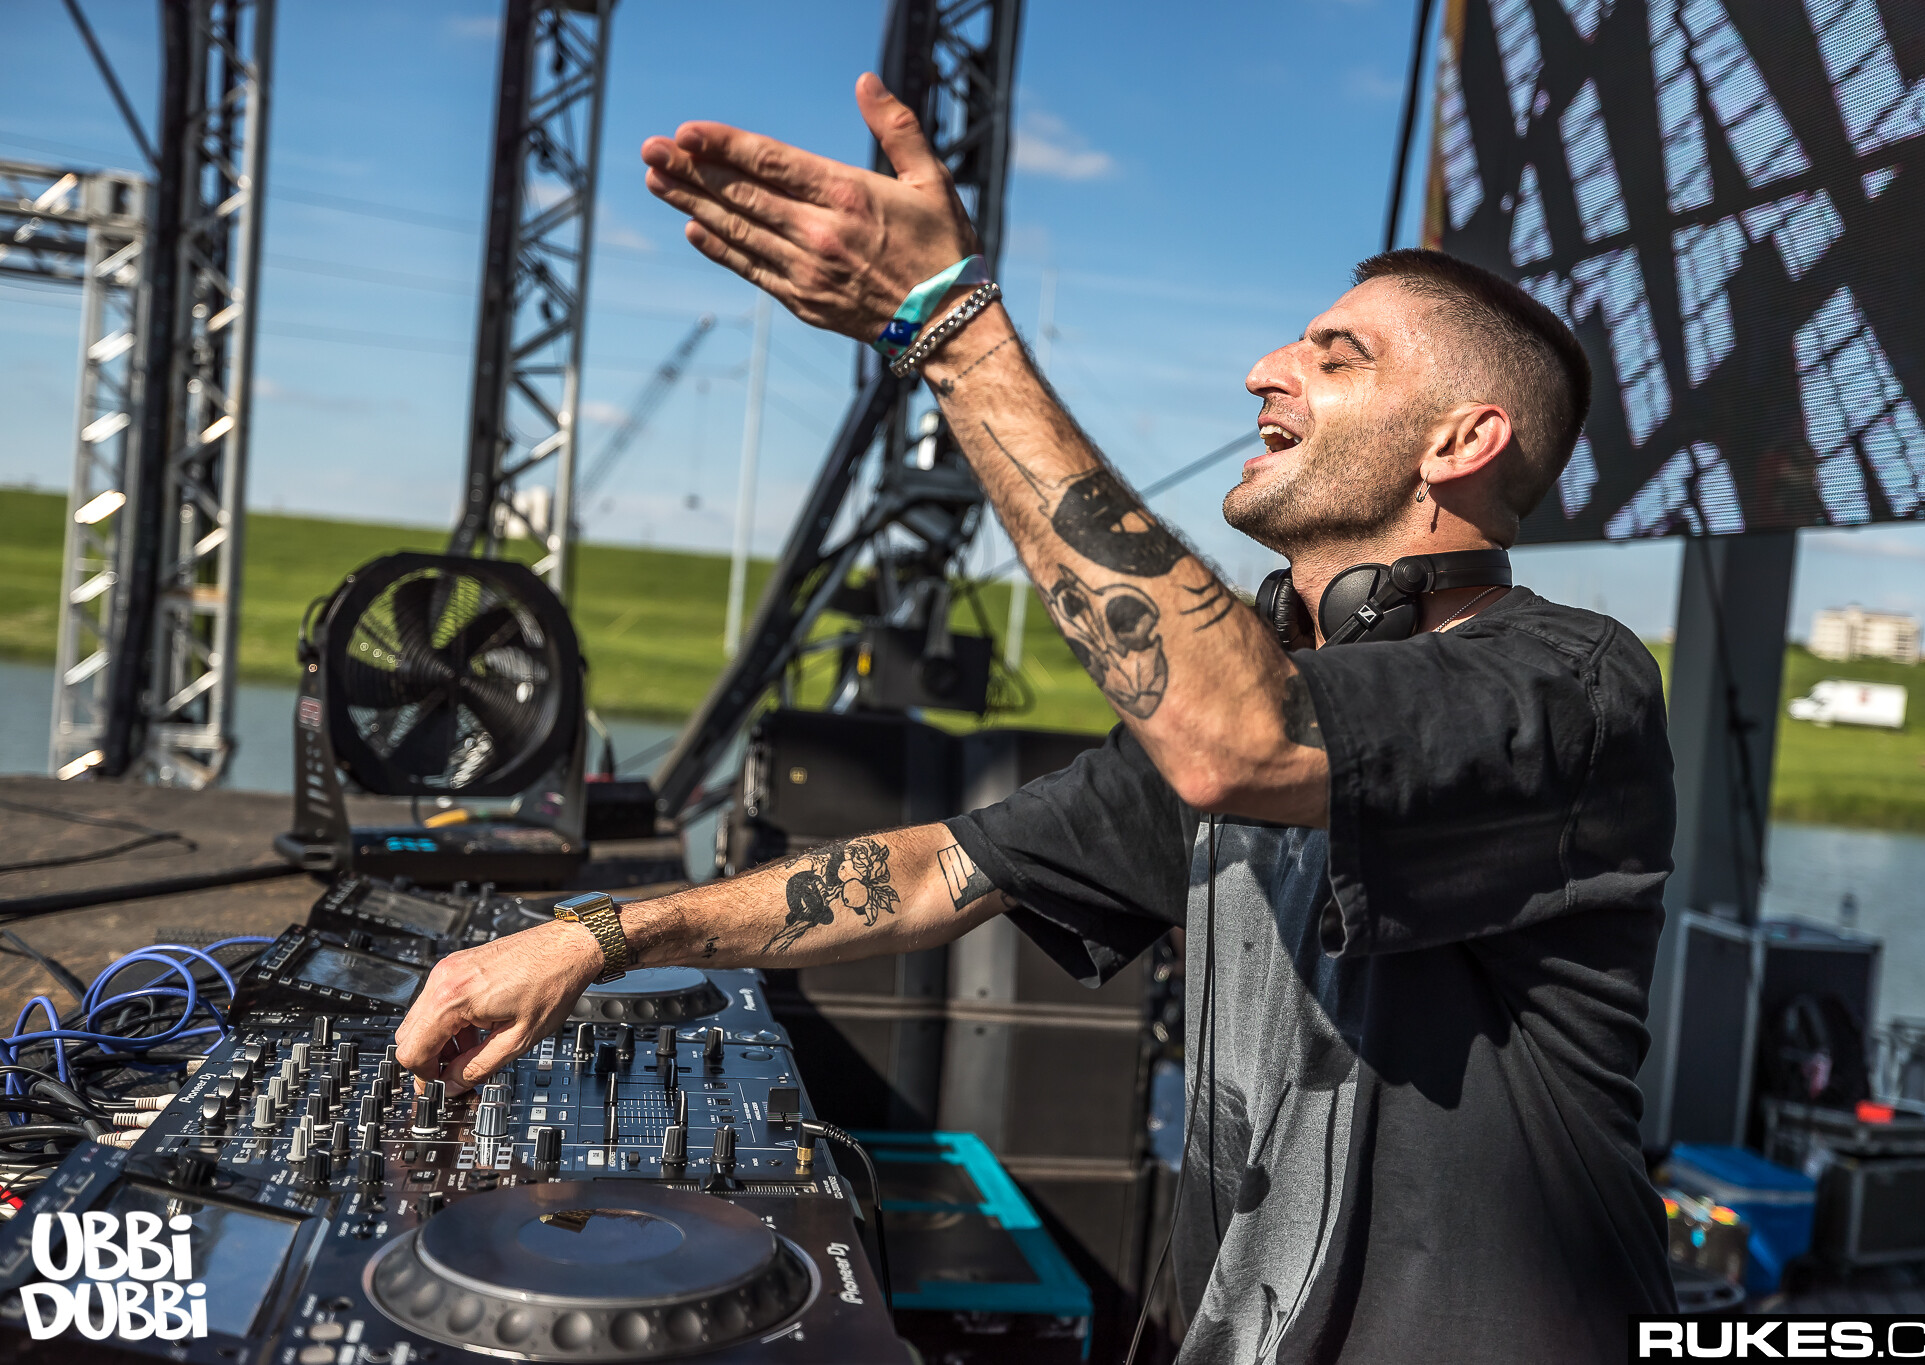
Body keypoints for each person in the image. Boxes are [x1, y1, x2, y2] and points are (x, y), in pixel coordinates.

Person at [395, 74, 1679, 1363]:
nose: (1265, 372)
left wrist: (956, 331)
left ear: (1461, 443)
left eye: (1336, 357)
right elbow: (935, 872)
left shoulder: (1570, 688)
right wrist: (599, 936)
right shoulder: (1274, 700)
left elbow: (1239, 737)